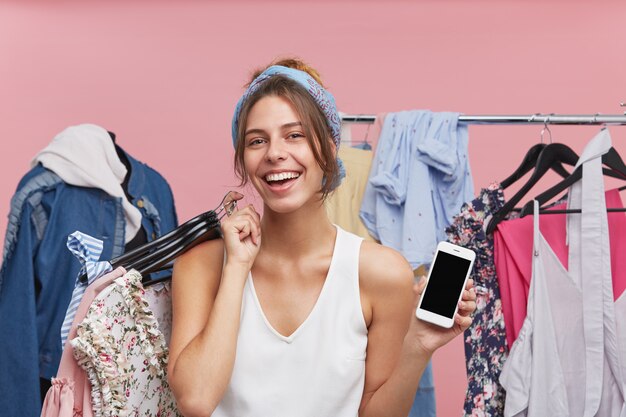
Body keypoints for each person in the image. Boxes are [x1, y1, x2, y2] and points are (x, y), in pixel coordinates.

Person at [167, 58, 476, 417]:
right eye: (256, 141)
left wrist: (418, 346)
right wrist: (236, 267)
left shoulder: (381, 273)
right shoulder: (200, 265)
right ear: (243, 157)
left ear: (330, 147)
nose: (275, 153)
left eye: (294, 135)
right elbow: (195, 401)